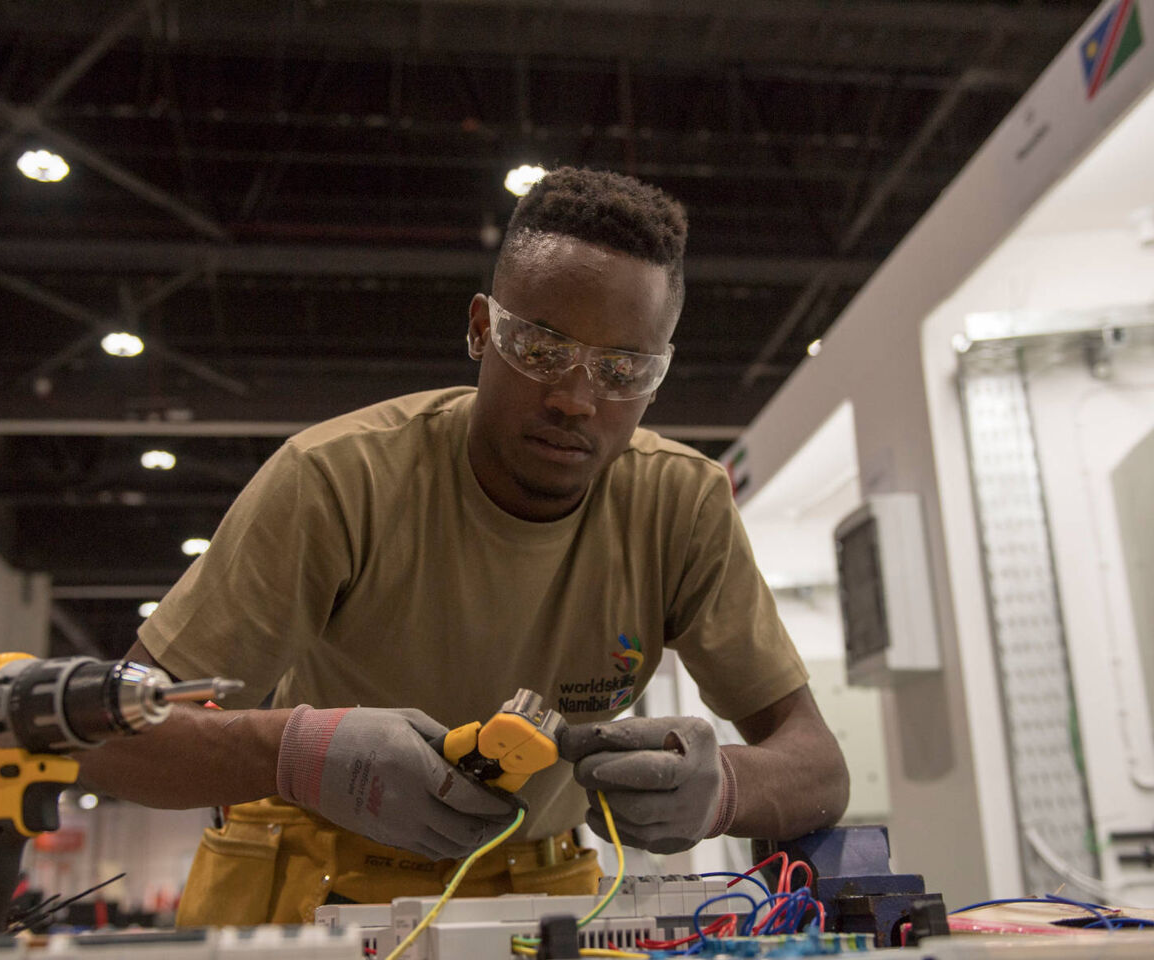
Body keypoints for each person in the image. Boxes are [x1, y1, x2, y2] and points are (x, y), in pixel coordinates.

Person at [77, 166, 850, 925]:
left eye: (621, 370)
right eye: (542, 349)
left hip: (544, 893)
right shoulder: (336, 480)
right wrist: (300, 753)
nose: (576, 399)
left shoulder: (681, 505)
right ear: (481, 329)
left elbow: (817, 765)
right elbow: (108, 740)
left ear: (659, 376)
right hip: (309, 888)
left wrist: (724, 790)